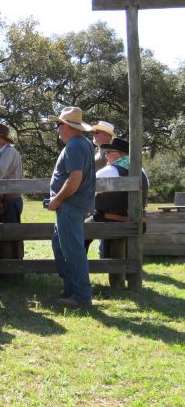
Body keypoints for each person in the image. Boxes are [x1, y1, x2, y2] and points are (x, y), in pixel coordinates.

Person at [48, 106, 95, 307]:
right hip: (72, 205)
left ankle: (81, 296)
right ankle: (71, 291)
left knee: (73, 251)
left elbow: (74, 180)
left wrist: (57, 199)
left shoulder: (74, 146)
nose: (57, 129)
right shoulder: (83, 144)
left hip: (70, 205)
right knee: (61, 247)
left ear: (66, 126)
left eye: (58, 125)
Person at [87, 137, 149, 287]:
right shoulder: (141, 171)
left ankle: (76, 271)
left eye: (109, 152)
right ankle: (119, 281)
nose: (106, 155)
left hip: (108, 220)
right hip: (136, 223)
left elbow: (88, 192)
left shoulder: (109, 170)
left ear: (120, 154)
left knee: (77, 233)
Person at [0, 122, 24, 268]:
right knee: (1, 235)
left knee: (10, 235)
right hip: (1, 200)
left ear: (0, 139)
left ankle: (13, 269)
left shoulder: (9, 152)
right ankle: (5, 269)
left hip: (9, 200)